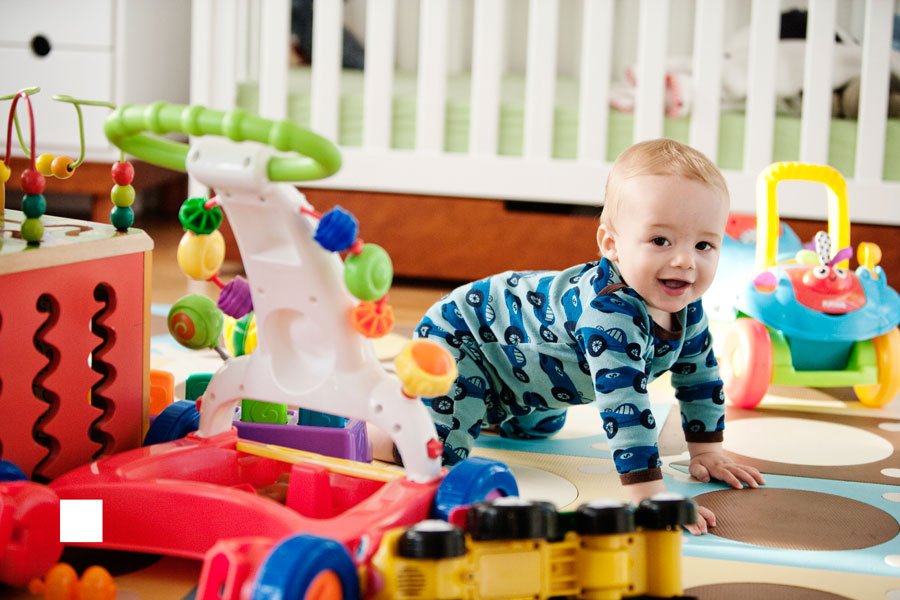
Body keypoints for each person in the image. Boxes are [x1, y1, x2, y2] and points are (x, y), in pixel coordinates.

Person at [393, 138, 764, 534]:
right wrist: (651, 496)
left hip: (527, 375)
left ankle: (488, 411)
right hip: (464, 339)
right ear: (611, 245)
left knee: (538, 428)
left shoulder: (686, 306)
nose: (685, 260)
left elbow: (700, 376)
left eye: (704, 244)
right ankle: (383, 433)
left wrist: (707, 451)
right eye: (660, 240)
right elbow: (626, 407)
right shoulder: (609, 313)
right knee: (435, 458)